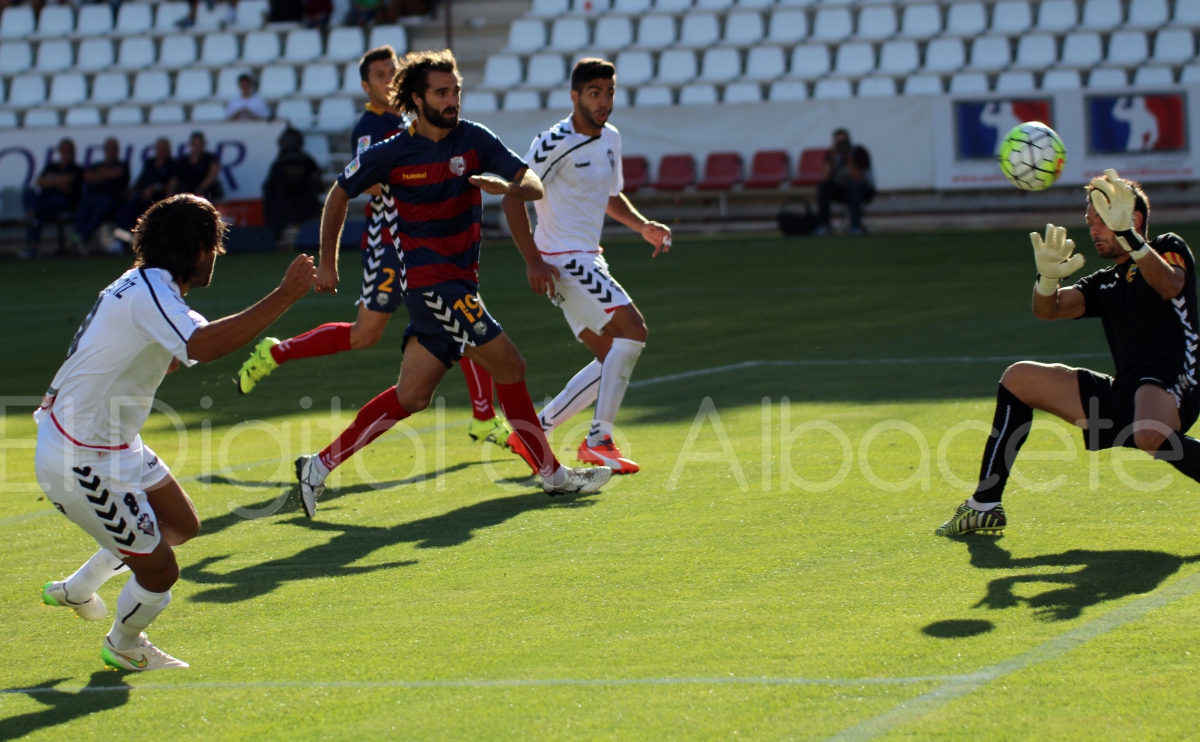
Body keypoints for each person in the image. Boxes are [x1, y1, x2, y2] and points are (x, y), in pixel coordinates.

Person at [288, 49, 612, 516]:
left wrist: (509, 188)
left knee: (412, 396)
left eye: (456, 91)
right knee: (511, 366)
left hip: (460, 286)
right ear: (417, 99)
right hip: (433, 288)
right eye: (442, 93)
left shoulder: (474, 138)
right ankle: (553, 476)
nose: (452, 100)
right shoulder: (392, 152)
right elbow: (339, 193)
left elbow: (534, 184)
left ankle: (317, 466)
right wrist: (327, 264)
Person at [35, 194, 317, 671]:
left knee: (181, 525)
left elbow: (159, 351)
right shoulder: (150, 293)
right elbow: (201, 346)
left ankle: (77, 588)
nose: (216, 257)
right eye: (215, 247)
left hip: (111, 443)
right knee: (161, 571)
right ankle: (124, 644)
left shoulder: (143, 285)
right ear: (199, 250)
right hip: (81, 459)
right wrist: (285, 294)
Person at [238, 46, 513, 448]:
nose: (388, 79)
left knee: (467, 318)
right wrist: (414, 174)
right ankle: (276, 352)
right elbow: (360, 183)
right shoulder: (372, 128)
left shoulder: (420, 121)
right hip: (389, 243)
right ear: (367, 87)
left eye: (392, 71)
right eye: (379, 75)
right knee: (365, 335)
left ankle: (484, 416)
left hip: (429, 245)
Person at [935, 170, 1200, 537]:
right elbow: (1049, 310)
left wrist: (1130, 237)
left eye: (1101, 220)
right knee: (1019, 378)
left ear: (1133, 218)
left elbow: (1170, 285)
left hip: (1176, 383)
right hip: (1127, 394)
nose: (1093, 230)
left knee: (1149, 431)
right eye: (1089, 222)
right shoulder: (1106, 281)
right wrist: (1046, 280)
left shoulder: (1168, 247)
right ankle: (984, 504)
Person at [503, 58, 672, 475]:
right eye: (594, 93)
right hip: (563, 262)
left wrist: (642, 226)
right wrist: (533, 259)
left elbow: (610, 195)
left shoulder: (611, 138)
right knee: (633, 331)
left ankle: (532, 431)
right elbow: (512, 196)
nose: (603, 102)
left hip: (587, 258)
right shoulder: (553, 142)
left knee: (611, 354)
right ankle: (598, 442)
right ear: (574, 96)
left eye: (609, 93)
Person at [22, 138, 83, 259]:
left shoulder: (76, 169)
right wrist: (58, 181)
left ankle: (32, 242)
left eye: (68, 150)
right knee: (29, 193)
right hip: (45, 200)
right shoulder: (52, 166)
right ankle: (32, 217)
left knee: (38, 213)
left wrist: (50, 181)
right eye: (64, 150)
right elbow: (40, 181)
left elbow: (68, 185)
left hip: (64, 201)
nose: (66, 153)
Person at [112, 138, 175, 253]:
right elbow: (140, 180)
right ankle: (121, 241)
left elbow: (172, 185)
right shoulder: (150, 163)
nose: (161, 151)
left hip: (159, 200)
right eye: (159, 149)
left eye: (163, 149)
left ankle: (147, 245)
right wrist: (131, 190)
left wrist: (155, 188)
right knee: (126, 210)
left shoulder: (172, 165)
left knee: (151, 215)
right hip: (141, 198)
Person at [262, 126, 323, 237]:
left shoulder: (308, 162)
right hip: (287, 214)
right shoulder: (279, 164)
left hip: (301, 214)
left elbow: (318, 184)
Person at [814, 128, 875, 236]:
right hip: (842, 189)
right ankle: (824, 225)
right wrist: (831, 157)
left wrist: (848, 157)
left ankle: (855, 226)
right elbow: (824, 177)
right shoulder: (832, 154)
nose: (841, 145)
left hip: (863, 189)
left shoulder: (859, 152)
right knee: (823, 186)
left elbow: (856, 177)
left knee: (854, 186)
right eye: (838, 142)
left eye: (844, 141)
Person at [73, 138, 130, 254]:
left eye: (113, 148)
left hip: (112, 198)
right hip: (94, 196)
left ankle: (82, 236)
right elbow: (87, 177)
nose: (111, 151)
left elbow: (118, 174)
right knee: (84, 206)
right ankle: (77, 235)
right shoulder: (97, 165)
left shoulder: (123, 165)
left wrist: (99, 174)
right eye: (109, 148)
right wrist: (108, 174)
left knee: (101, 209)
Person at [169, 132, 223, 203]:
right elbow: (174, 179)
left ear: (203, 144)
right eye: (195, 144)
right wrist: (170, 195)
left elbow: (213, 174)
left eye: (199, 144)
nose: (197, 146)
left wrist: (201, 189)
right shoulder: (183, 161)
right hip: (186, 196)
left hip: (206, 195)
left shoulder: (210, 159)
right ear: (191, 144)